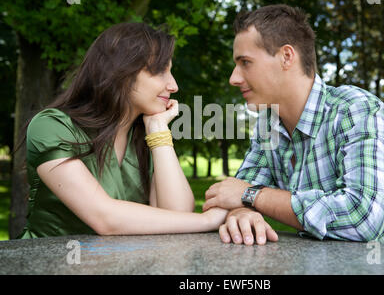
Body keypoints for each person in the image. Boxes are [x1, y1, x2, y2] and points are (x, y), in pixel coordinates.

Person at [202, 4, 384, 249]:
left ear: (286, 56)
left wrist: (253, 196)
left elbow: (363, 219)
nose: (234, 78)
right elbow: (234, 192)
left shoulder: (355, 109)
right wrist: (242, 213)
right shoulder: (269, 123)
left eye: (245, 62)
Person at [17, 22, 227, 238]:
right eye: (161, 71)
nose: (173, 86)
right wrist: (207, 220)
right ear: (122, 71)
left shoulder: (145, 137)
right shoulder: (51, 126)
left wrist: (158, 131)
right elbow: (104, 218)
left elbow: (177, 216)